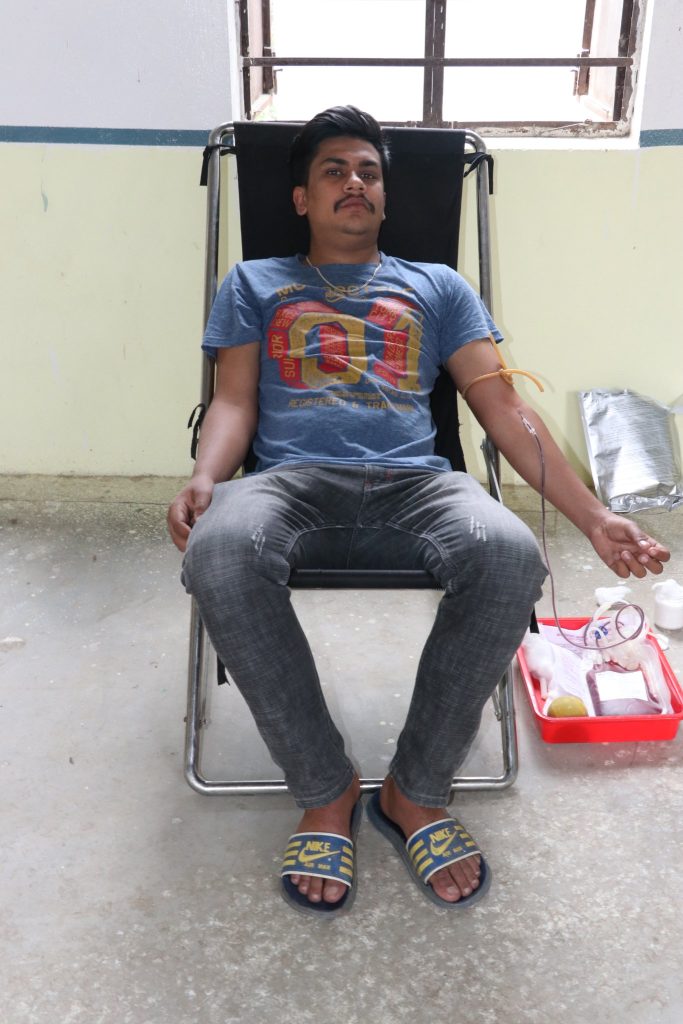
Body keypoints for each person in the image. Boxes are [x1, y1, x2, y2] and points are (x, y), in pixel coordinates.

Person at [167, 105, 669, 916]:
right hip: (288, 481)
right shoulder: (253, 282)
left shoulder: (437, 286)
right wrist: (204, 476)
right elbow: (233, 402)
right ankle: (325, 788)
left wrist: (592, 518)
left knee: (508, 555)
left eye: (368, 172)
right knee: (219, 551)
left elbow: (505, 410)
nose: (354, 182)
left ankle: (416, 790)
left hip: (416, 483)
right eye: (334, 170)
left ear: (384, 196)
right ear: (300, 198)